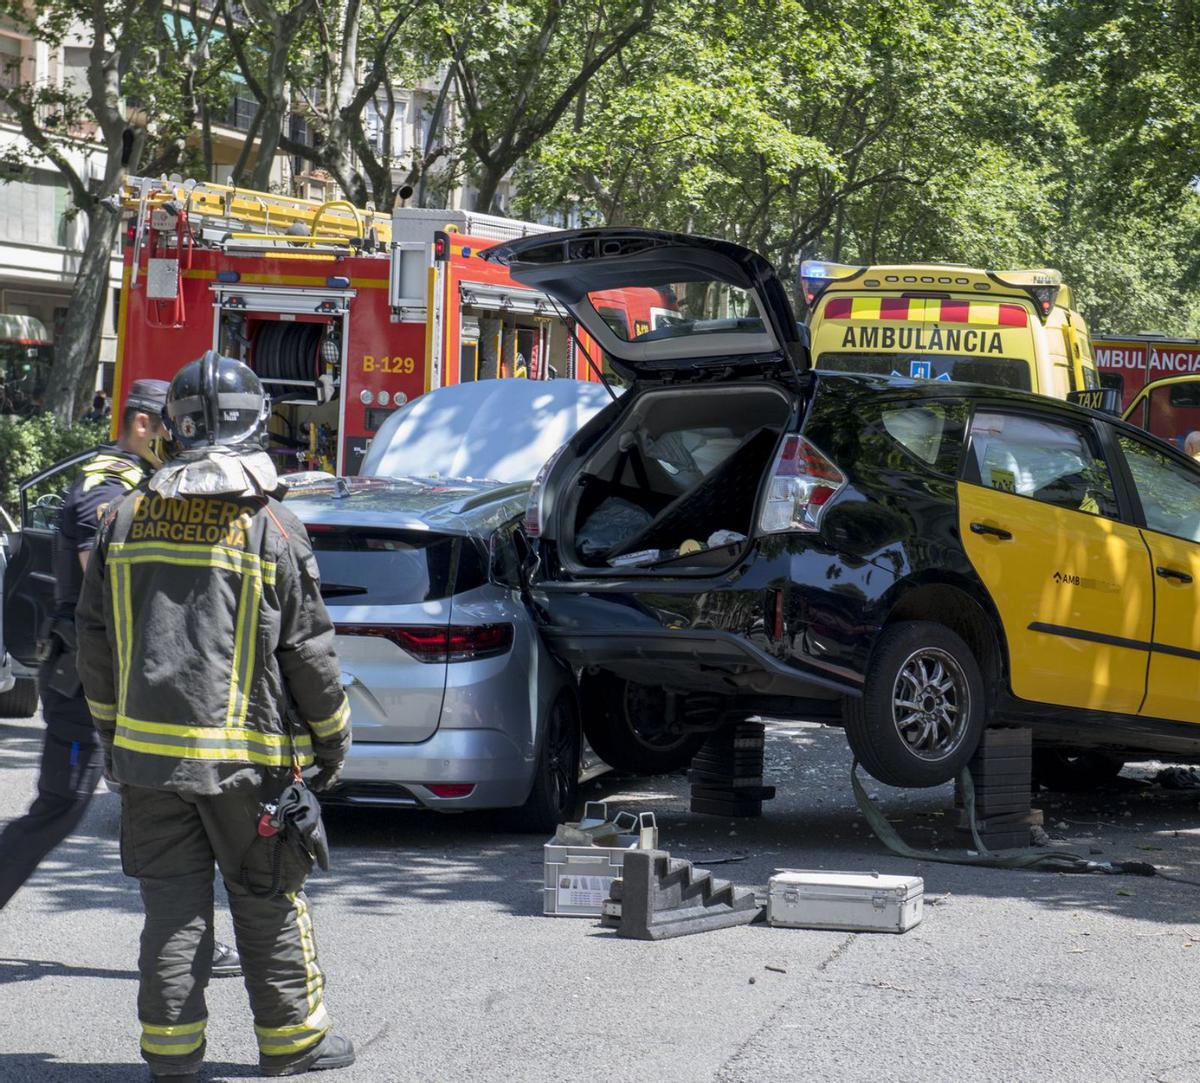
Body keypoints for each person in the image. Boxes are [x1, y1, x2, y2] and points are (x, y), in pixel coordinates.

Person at [77, 352, 354, 1081]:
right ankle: (293, 1040)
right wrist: (333, 740)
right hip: (248, 765)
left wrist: (112, 734)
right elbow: (308, 653)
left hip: (146, 763)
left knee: (172, 908)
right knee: (267, 896)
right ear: (258, 424)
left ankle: (172, 1057)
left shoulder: (123, 519)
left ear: (173, 427)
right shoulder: (273, 527)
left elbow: (95, 645)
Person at [0, 378, 239, 997]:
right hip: (85, 686)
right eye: (170, 426)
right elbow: (97, 549)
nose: (175, 439)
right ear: (143, 425)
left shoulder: (133, 477)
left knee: (161, 809)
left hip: (121, 684)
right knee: (60, 807)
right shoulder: (111, 483)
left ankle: (192, 941)